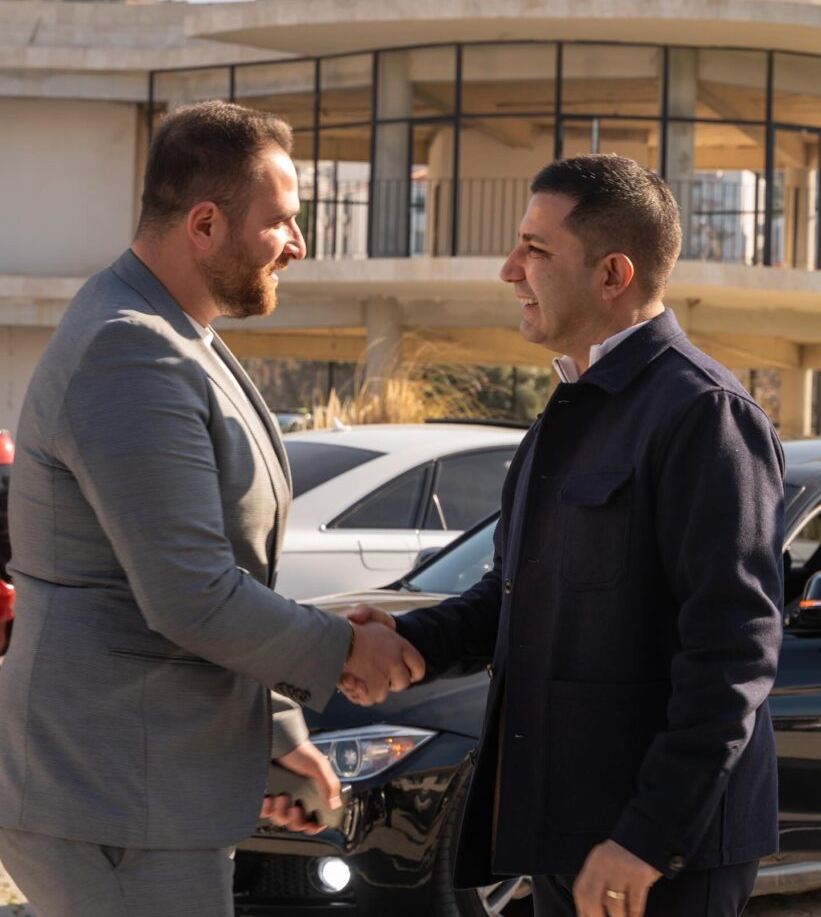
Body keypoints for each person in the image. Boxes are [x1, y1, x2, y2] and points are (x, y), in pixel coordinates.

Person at [0, 101, 422, 917]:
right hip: (113, 795)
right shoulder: (131, 348)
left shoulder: (173, 332)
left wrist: (275, 732)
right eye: (281, 221)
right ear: (203, 224)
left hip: (146, 785)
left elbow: (214, 573)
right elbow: (190, 593)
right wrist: (344, 650)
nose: (297, 244)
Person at [345, 154, 784, 917]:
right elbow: (513, 595)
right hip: (565, 830)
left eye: (535, 250)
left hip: (656, 853)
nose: (509, 269)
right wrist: (411, 643)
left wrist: (648, 836)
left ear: (612, 274)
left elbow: (732, 653)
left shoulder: (703, 414)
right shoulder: (571, 409)